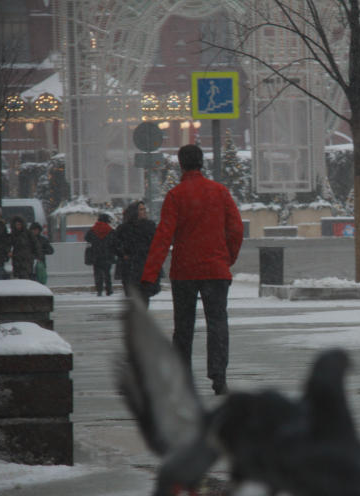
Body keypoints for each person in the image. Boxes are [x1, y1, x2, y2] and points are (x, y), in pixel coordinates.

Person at [141, 144, 244, 395]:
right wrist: (226, 258)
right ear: (202, 163)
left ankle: (182, 379)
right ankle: (218, 376)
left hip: (185, 271)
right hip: (215, 270)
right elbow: (236, 229)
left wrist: (149, 274)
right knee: (217, 323)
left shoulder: (176, 196)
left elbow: (163, 237)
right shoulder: (220, 192)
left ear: (181, 164)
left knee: (183, 326)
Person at [113, 200, 158, 306]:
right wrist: (123, 254)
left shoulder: (149, 225)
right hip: (131, 266)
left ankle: (141, 318)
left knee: (144, 296)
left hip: (145, 265)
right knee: (136, 296)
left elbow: (156, 242)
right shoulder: (124, 228)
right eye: (141, 209)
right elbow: (114, 243)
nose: (144, 211)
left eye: (144, 209)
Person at [85, 213, 116, 296]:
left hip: (96, 255)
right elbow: (115, 241)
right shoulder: (110, 230)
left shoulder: (93, 230)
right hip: (107, 255)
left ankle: (99, 290)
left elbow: (87, 238)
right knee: (107, 273)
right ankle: (109, 290)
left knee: (97, 273)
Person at [9, 215, 40, 280]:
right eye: (16, 225)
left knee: (26, 276)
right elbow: (9, 244)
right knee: (19, 277)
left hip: (27, 259)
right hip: (17, 259)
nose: (18, 226)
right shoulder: (13, 234)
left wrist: (35, 255)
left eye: (19, 224)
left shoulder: (28, 233)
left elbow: (35, 244)